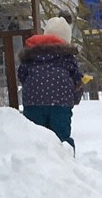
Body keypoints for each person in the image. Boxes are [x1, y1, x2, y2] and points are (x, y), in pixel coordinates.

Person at [17, 16, 84, 146]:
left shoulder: (31, 55)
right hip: (61, 103)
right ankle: (65, 161)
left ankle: (36, 162)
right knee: (61, 137)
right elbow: (77, 81)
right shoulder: (67, 58)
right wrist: (75, 98)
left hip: (33, 102)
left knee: (35, 138)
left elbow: (22, 75)